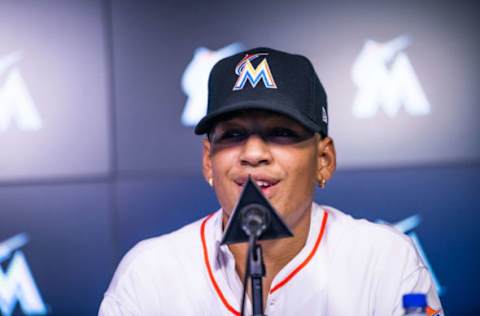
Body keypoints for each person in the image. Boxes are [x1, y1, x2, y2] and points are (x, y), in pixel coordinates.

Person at [99, 47, 443, 315]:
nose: (252, 153)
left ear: (324, 161)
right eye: (233, 134)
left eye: (280, 133)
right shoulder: (149, 273)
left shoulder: (383, 260)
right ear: (208, 161)